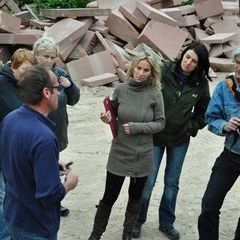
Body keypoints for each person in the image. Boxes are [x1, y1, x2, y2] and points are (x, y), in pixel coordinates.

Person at [132, 42, 211, 240]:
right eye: (187, 57)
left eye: (194, 61)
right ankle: (136, 221)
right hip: (155, 136)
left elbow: (203, 114)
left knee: (172, 183)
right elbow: (143, 89)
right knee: (147, 182)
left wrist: (189, 127)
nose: (188, 62)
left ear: (199, 65)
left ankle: (166, 223)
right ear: (182, 54)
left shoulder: (200, 84)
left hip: (179, 140)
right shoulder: (164, 70)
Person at [88, 53, 165, 240]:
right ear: (132, 68)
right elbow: (112, 112)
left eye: (146, 70)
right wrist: (106, 117)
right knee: (109, 196)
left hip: (142, 153)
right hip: (120, 151)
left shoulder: (155, 93)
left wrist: (137, 127)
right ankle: (96, 234)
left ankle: (127, 234)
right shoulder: (120, 89)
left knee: (135, 197)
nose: (141, 73)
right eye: (138, 68)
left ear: (151, 73)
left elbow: (161, 123)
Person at [0, 64, 78, 240]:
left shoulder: (10, 119)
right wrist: (69, 184)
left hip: (13, 216)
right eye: (57, 88)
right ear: (46, 92)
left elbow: (14, 161)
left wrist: (49, 165)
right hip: (36, 226)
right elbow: (49, 195)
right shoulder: (44, 137)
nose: (59, 93)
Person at [33, 36, 80, 216]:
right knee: (36, 168)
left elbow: (74, 100)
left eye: (53, 57)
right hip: (36, 129)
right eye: (45, 56)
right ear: (36, 55)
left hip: (57, 129)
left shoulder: (61, 74)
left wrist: (69, 87)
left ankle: (55, 201)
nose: (49, 60)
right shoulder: (32, 76)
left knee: (54, 167)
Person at [198, 46, 240, 240]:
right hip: (231, 154)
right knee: (209, 203)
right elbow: (211, 118)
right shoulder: (225, 87)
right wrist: (226, 125)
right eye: (238, 63)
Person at [0, 48, 37, 239]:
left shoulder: (24, 86)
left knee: (13, 196)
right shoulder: (1, 83)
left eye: (31, 70)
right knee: (3, 196)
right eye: (24, 69)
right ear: (14, 66)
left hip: (15, 150)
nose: (27, 74)